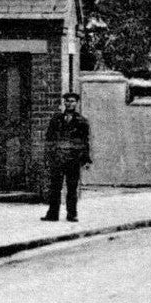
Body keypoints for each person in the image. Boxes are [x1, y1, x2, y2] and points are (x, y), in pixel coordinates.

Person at [42, 92, 91, 223]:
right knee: (55, 187)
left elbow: (85, 141)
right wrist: (48, 156)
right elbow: (49, 139)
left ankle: (72, 214)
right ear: (64, 103)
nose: (70, 103)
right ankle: (52, 214)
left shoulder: (82, 121)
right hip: (58, 158)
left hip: (73, 159)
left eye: (72, 101)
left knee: (72, 188)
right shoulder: (56, 119)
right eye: (67, 101)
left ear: (77, 103)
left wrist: (86, 159)